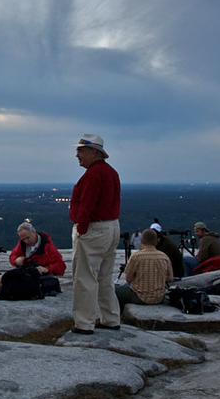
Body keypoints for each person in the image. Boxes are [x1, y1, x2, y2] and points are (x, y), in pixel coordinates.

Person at [69, 133, 121, 335]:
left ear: (93, 152)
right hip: (111, 226)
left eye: (81, 151)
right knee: (105, 277)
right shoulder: (111, 172)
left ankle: (83, 323)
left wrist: (81, 229)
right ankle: (111, 318)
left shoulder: (93, 174)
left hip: (94, 229)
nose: (77, 155)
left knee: (85, 277)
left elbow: (87, 205)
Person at [116, 228, 173, 307]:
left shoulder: (136, 256)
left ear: (141, 241)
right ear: (156, 241)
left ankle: (118, 314)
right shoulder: (164, 256)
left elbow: (128, 279)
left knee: (114, 289)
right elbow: (170, 278)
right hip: (159, 297)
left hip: (140, 296)